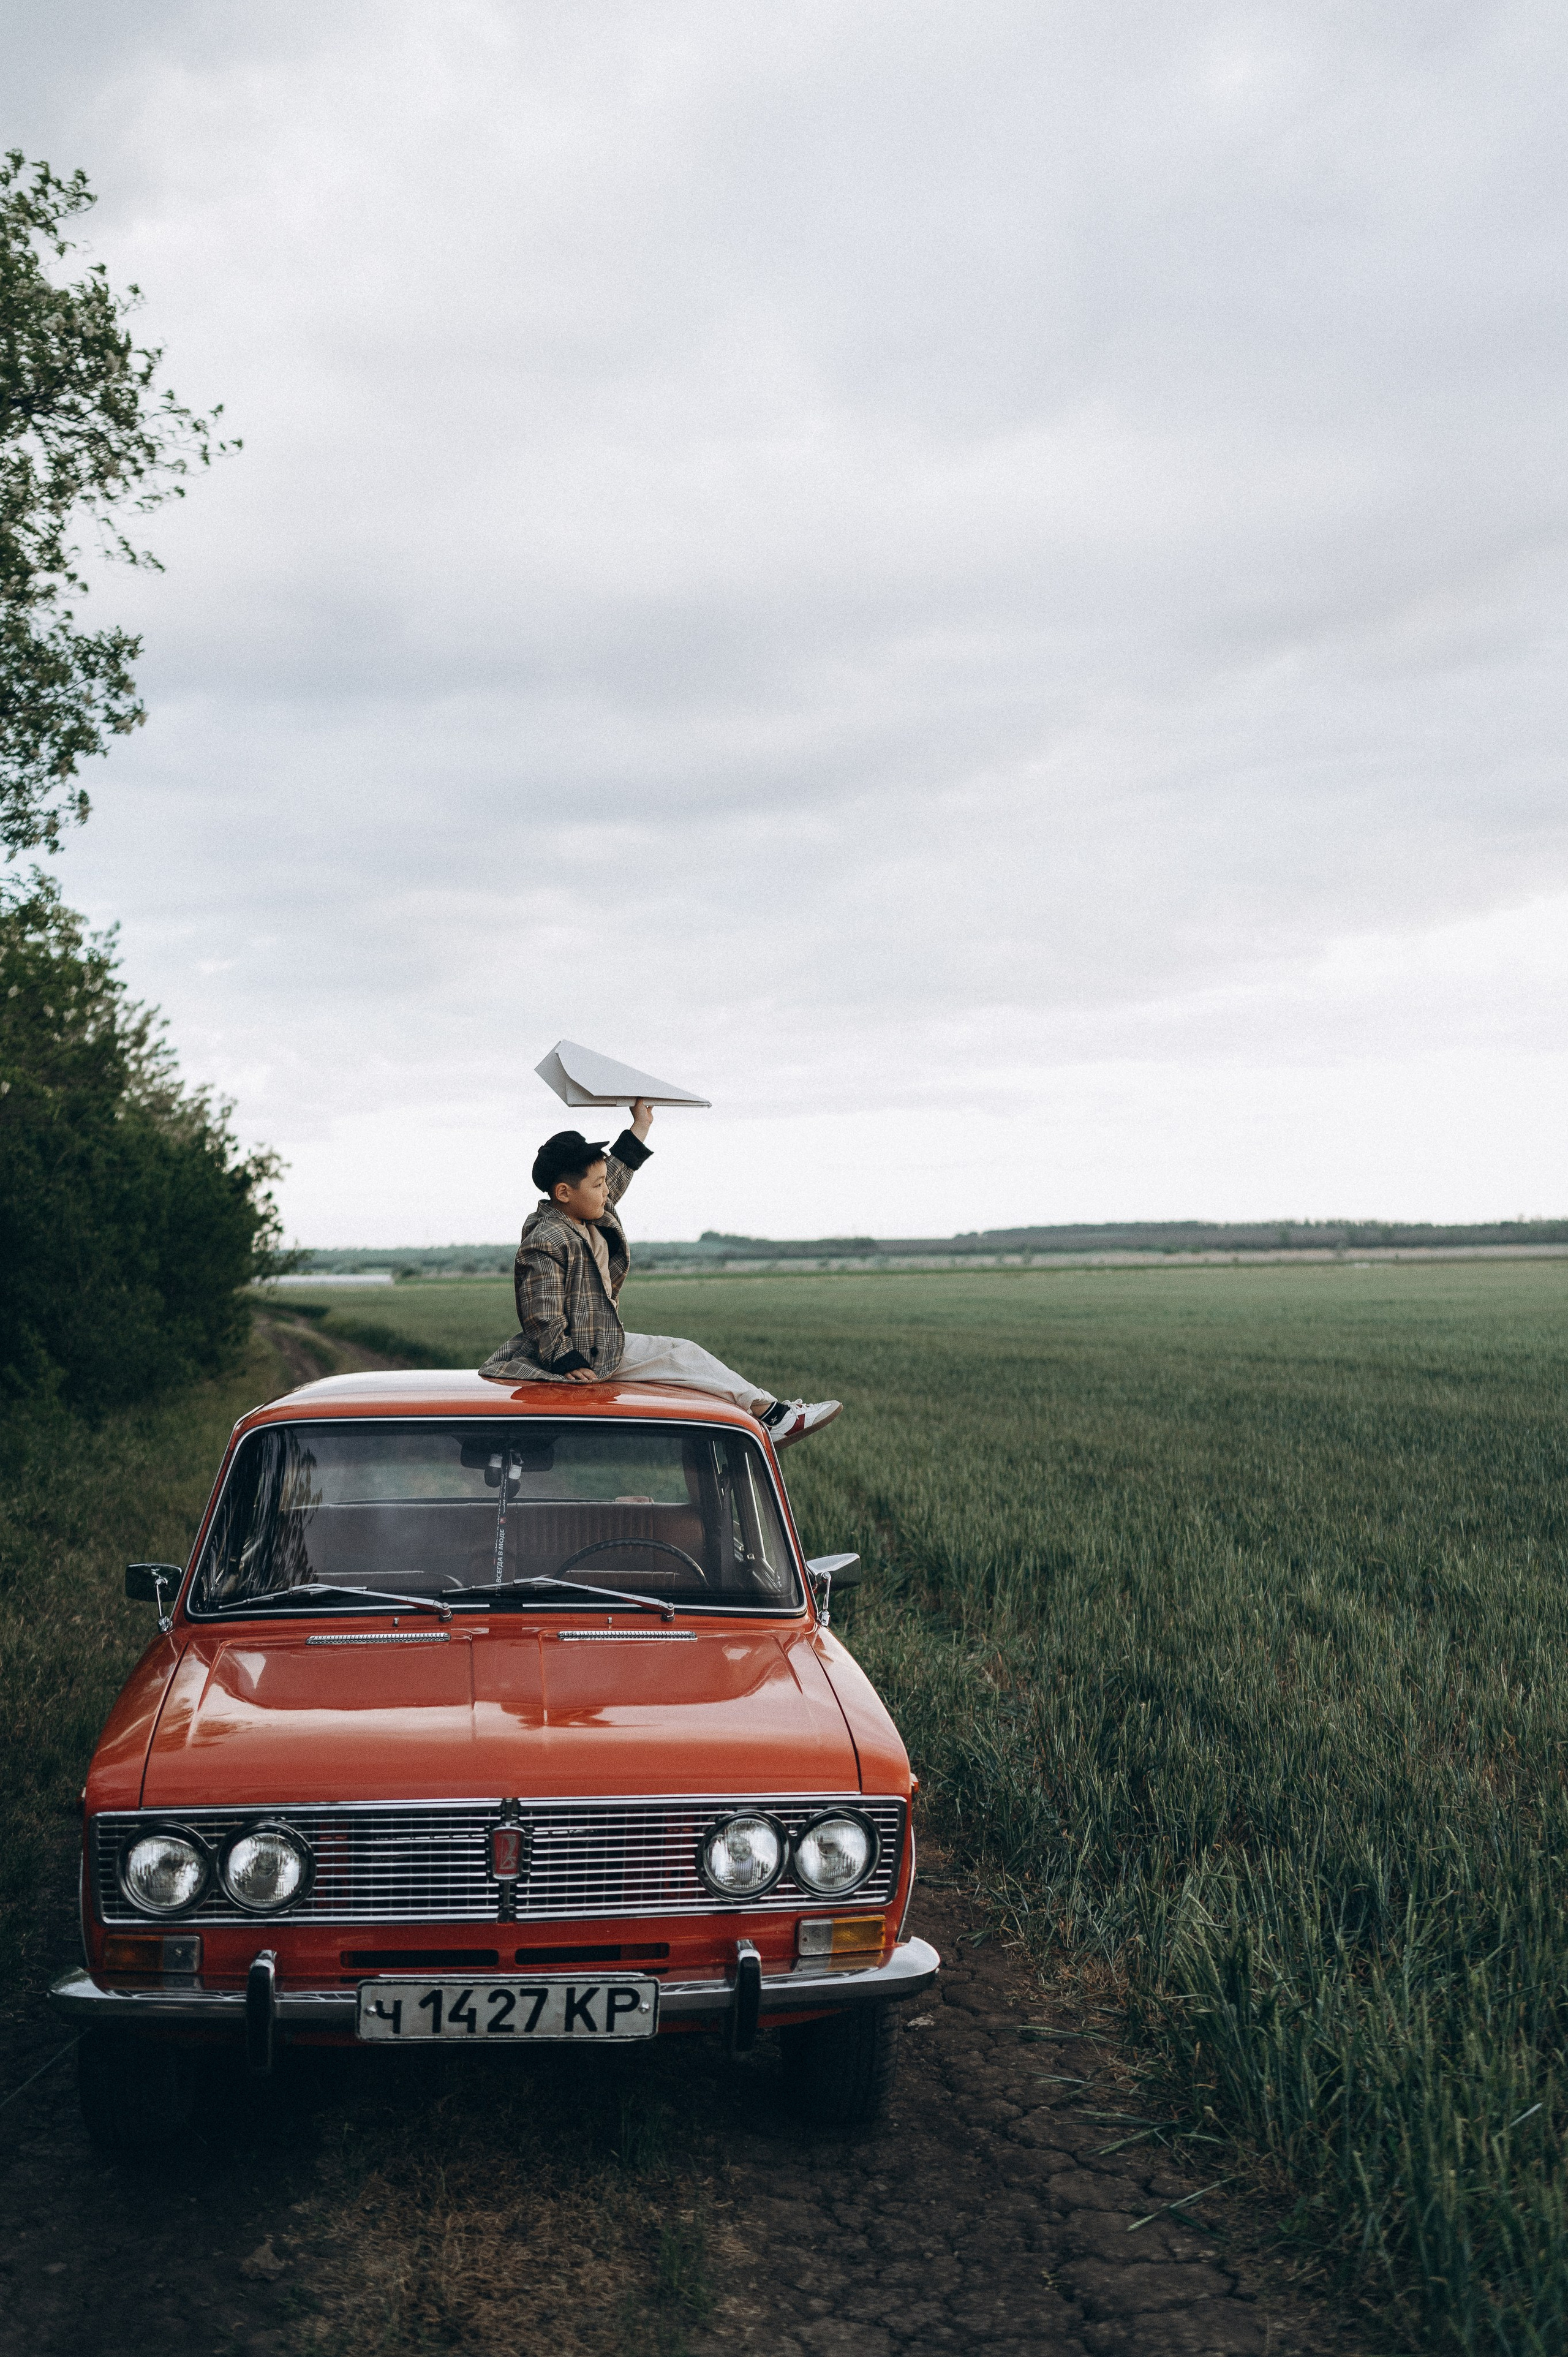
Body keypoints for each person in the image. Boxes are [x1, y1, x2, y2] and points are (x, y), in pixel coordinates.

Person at [477, 1100, 843, 1446]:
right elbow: (541, 1311)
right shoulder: (546, 1238)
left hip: (593, 1341)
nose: (607, 1191)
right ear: (563, 1192)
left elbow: (617, 1172)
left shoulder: (589, 1210)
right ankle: (774, 1416)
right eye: (597, 1185)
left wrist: (641, 1124)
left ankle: (767, 1413)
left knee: (684, 1363)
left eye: (605, 1182)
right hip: (585, 1352)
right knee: (684, 1355)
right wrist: (564, 1358)